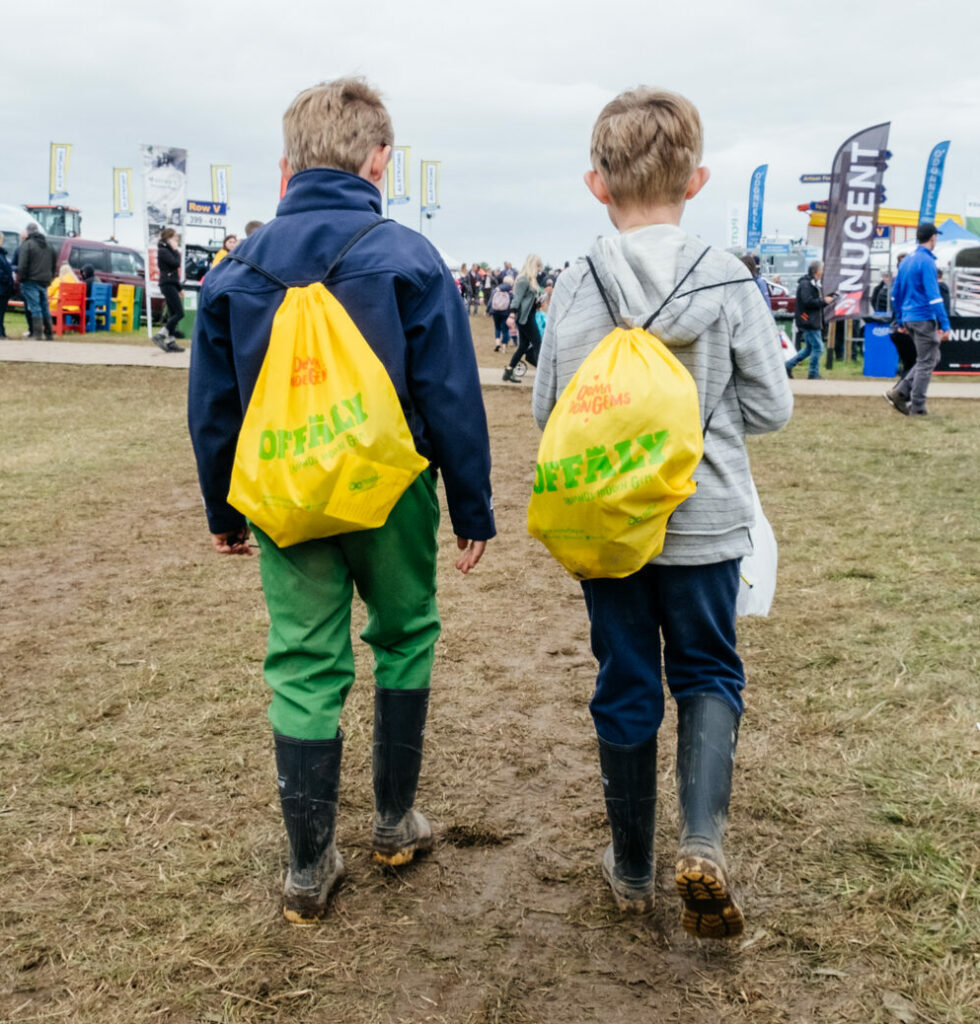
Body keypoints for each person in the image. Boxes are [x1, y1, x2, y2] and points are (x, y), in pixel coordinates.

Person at [187, 77, 495, 925]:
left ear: (285, 167)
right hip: (391, 491)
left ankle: (307, 865)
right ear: (380, 159)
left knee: (302, 659)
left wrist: (224, 510)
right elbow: (450, 396)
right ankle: (395, 822)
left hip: (285, 498)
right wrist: (472, 506)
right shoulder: (408, 256)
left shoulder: (233, 271)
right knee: (404, 637)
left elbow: (214, 412)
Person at [532, 86, 792, 939]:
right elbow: (774, 407)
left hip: (609, 525)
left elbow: (549, 411)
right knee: (710, 672)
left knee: (626, 678)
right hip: (708, 514)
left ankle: (634, 867)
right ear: (699, 178)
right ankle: (704, 840)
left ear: (595, 184)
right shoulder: (727, 278)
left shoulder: (575, 283)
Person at [884, 222, 950, 417]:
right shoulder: (927, 261)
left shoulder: (906, 260)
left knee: (931, 357)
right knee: (926, 360)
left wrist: (901, 320)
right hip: (923, 317)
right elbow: (934, 295)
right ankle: (917, 406)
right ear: (933, 237)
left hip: (909, 316)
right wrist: (945, 323)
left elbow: (895, 294)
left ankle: (901, 390)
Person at [785, 261, 834, 379]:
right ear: (816, 271)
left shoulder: (811, 283)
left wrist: (824, 301)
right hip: (808, 320)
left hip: (810, 320)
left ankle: (787, 366)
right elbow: (807, 302)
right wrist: (824, 301)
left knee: (808, 349)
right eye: (822, 269)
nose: (823, 272)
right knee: (818, 347)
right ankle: (813, 372)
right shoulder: (806, 284)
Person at [502, 254, 542, 382]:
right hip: (524, 318)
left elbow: (526, 300)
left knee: (523, 346)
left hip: (528, 316)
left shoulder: (530, 280)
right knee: (537, 342)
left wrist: (537, 303)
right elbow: (517, 299)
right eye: (538, 265)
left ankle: (509, 371)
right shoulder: (523, 280)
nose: (540, 269)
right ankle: (543, 373)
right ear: (532, 265)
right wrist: (512, 315)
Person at [17, 223, 56, 340]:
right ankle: (49, 334)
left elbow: (22, 265)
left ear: (28, 232)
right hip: (44, 281)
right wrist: (50, 277)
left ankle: (37, 334)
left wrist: (21, 279)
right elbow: (54, 264)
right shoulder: (49, 245)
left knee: (35, 307)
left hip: (30, 280)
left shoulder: (27, 245)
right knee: (44, 307)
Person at [152, 228, 185, 352]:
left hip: (171, 284)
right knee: (179, 313)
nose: (177, 241)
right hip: (167, 284)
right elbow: (175, 263)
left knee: (173, 314)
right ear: (168, 238)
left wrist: (179, 288)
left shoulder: (167, 250)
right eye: (175, 238)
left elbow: (173, 273)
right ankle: (160, 335)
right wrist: (176, 251)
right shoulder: (163, 251)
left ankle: (171, 341)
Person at [488, 274, 514, 351]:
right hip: (505, 312)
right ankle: (504, 347)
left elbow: (491, 300)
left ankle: (497, 343)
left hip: (495, 311)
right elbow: (513, 302)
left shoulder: (497, 289)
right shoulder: (510, 291)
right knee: (505, 329)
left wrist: (488, 310)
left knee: (497, 327)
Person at [0, 242, 14, 338]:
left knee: (2, 311)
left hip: (4, 288)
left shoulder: (3, 255)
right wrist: (7, 278)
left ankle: (1, 331)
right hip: (2, 286)